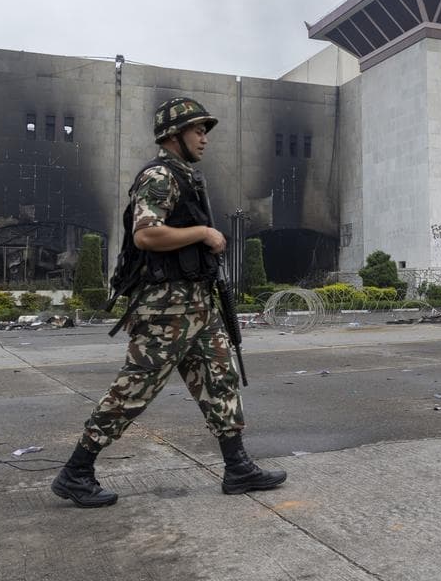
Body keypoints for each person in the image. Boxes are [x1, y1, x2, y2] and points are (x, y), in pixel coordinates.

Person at [51, 97, 286, 508]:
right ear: (173, 135)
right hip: (165, 311)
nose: (204, 139)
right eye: (197, 131)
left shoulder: (187, 177)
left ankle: (238, 467)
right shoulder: (160, 176)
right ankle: (76, 471)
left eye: (204, 132)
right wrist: (203, 233)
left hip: (197, 305)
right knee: (133, 391)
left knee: (221, 380)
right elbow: (146, 235)